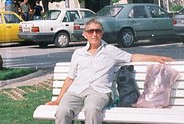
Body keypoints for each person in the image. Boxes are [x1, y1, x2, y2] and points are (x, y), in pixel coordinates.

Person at [47, 18, 175, 124]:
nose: (94, 34)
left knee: (91, 109)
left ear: (102, 33)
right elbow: (70, 78)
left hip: (98, 91)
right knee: (62, 111)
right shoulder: (78, 54)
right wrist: (58, 99)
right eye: (90, 31)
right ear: (85, 34)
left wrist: (156, 58)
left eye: (97, 31)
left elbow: (132, 57)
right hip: (76, 91)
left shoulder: (110, 51)